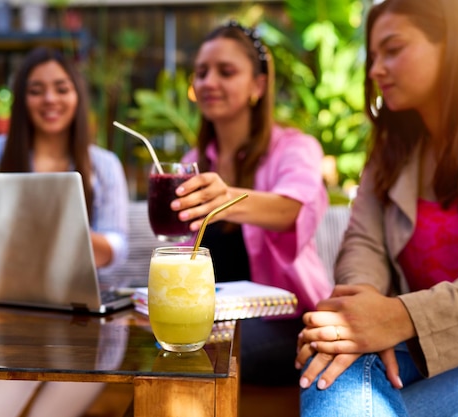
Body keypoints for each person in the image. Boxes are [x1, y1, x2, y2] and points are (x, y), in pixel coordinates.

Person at [296, 0, 458, 415]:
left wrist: (402, 317)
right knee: (334, 348)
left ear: (453, 45)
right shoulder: (391, 150)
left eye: (393, 49)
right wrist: (362, 305)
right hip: (419, 349)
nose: (375, 69)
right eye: (374, 55)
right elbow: (363, 243)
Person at [0, 46, 129, 417]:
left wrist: (65, 234)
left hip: (79, 315)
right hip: (2, 312)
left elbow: (118, 247)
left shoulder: (104, 165)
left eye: (61, 87)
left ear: (78, 95)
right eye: (36, 90)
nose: (50, 98)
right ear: (22, 100)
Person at [174, 20, 332, 386]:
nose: (209, 82)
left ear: (258, 85)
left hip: (285, 322)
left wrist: (226, 199)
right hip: (210, 317)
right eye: (201, 72)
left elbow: (291, 209)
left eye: (226, 72)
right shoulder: (194, 158)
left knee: (195, 355)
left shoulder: (295, 148)